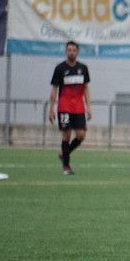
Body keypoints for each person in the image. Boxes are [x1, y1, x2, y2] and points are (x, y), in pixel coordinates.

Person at [48, 40, 91, 175]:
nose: (71, 52)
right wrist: (51, 109)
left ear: (77, 52)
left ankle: (64, 154)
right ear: (66, 51)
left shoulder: (83, 68)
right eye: (69, 50)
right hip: (64, 106)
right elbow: (54, 89)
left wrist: (88, 107)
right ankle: (66, 166)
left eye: (73, 50)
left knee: (81, 135)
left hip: (78, 106)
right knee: (66, 135)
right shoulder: (60, 68)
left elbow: (86, 88)